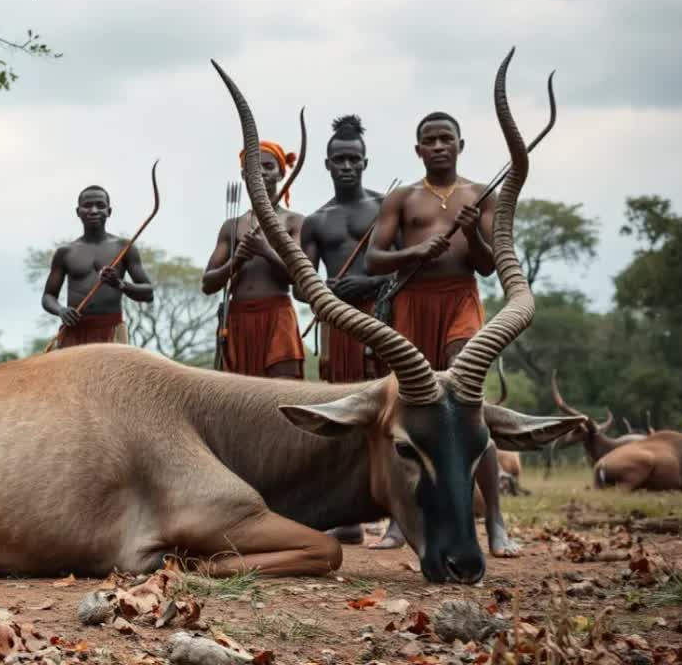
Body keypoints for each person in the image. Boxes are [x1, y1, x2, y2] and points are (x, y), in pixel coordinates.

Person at [364, 111, 518, 557]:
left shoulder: (479, 196)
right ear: (418, 150)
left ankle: (495, 521)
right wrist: (415, 251)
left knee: (470, 405)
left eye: (445, 138)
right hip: (412, 301)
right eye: (428, 140)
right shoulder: (401, 198)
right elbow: (374, 258)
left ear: (460, 144)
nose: (437, 146)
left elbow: (489, 264)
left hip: (461, 302)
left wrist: (471, 232)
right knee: (410, 412)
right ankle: (399, 520)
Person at [201, 140, 305, 378]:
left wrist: (265, 250)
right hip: (237, 319)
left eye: (268, 166)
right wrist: (236, 261)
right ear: (243, 174)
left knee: (282, 393)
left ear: (280, 173)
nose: (260, 172)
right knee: (238, 398)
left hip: (277, 316)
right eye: (253, 167)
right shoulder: (233, 226)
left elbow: (298, 276)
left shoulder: (294, 222)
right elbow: (208, 284)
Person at [301, 114, 392, 385]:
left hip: (383, 315)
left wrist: (370, 282)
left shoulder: (386, 207)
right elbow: (300, 287)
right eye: (339, 160)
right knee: (341, 390)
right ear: (327, 164)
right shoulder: (317, 220)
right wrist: (325, 291)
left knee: (385, 389)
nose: (347, 166)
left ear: (366, 162)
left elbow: (409, 270)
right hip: (338, 316)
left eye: (354, 159)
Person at [41, 186, 154, 347]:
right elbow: (48, 296)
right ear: (78, 211)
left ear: (109, 211)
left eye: (100, 205)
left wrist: (120, 284)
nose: (93, 210)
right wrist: (61, 311)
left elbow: (148, 293)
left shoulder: (124, 247)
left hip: (112, 331)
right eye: (87, 205)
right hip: (74, 331)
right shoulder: (65, 252)